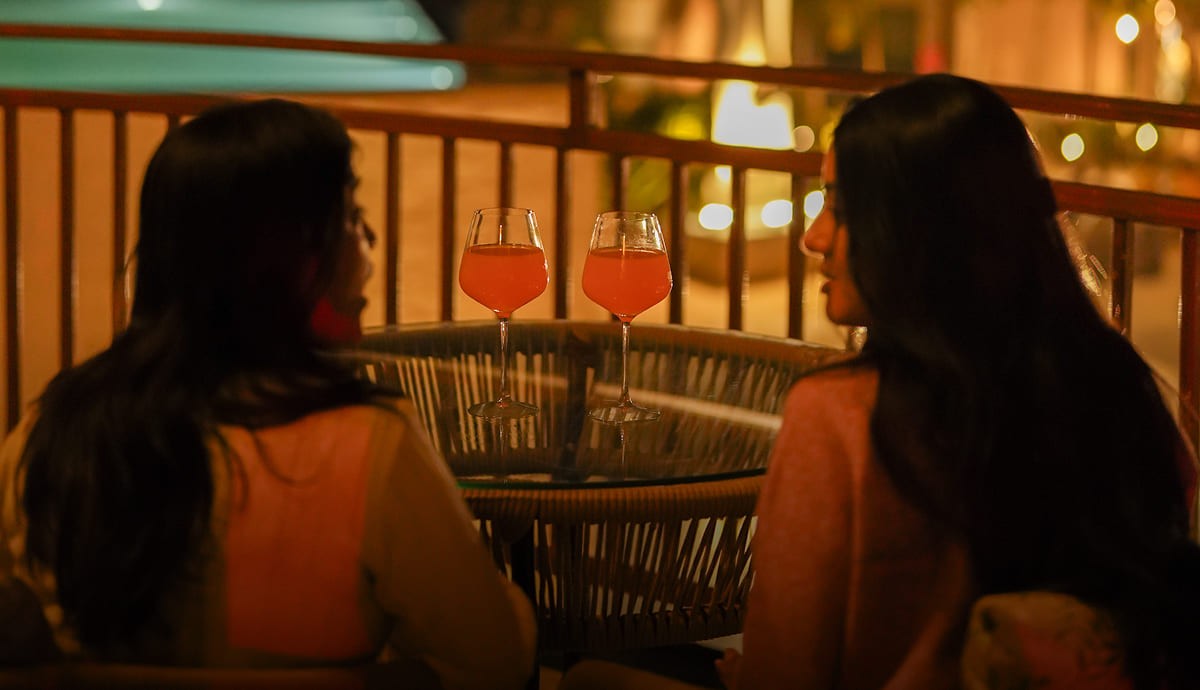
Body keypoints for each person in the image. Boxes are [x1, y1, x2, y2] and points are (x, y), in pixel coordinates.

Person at [560, 73, 1200, 690]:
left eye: (840, 208)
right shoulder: (1123, 390)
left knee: (588, 676)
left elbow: (784, 671)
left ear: (921, 231)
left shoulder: (843, 417)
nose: (813, 238)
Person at [0, 98, 535, 690]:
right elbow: (492, 664)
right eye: (351, 217)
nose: (369, 239)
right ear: (289, 257)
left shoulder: (49, 432)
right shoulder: (365, 446)